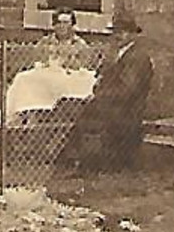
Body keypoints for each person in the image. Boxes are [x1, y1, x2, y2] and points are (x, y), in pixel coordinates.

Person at [65, 11, 154, 172]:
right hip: (114, 106)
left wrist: (98, 95)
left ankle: (82, 162)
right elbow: (105, 75)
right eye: (116, 32)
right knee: (72, 107)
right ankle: (74, 159)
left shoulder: (137, 57)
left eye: (124, 32)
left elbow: (126, 91)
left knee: (78, 110)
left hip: (126, 111)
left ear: (133, 34)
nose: (119, 36)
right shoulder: (118, 53)